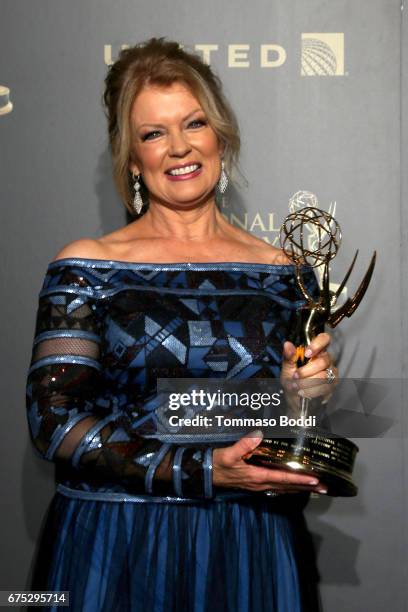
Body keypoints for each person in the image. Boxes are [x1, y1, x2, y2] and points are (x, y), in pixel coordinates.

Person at [26, 38, 336, 612]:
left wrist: (302, 400)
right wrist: (202, 471)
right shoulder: (90, 266)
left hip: (248, 538)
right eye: (153, 133)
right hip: (117, 539)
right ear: (131, 154)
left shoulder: (285, 273)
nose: (179, 148)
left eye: (193, 123)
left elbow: (289, 426)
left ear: (220, 133)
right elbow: (54, 421)